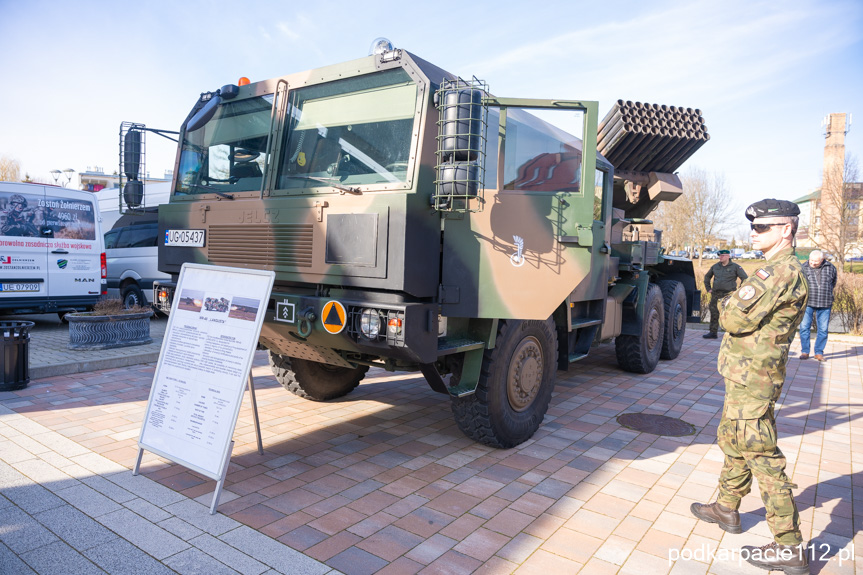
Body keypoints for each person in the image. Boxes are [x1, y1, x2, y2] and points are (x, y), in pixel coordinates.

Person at [690, 199, 810, 574]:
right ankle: (727, 508)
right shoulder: (774, 269)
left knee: (760, 453)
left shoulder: (778, 272)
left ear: (785, 230)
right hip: (747, 374)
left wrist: (726, 304)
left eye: (762, 227)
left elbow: (733, 319)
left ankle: (788, 546)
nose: (753, 232)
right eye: (754, 227)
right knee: (734, 439)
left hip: (753, 376)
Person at [798, 250, 837, 361]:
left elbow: (833, 282)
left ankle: (819, 352)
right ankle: (805, 351)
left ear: (822, 260)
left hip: (825, 303)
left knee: (823, 329)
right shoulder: (803, 267)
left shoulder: (831, 267)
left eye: (816, 261)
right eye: (811, 260)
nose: (813, 263)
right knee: (804, 327)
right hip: (808, 303)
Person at [703, 249, 748, 339]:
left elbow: (745, 278)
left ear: (728, 256)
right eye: (720, 256)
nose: (721, 257)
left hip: (729, 295)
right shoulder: (715, 267)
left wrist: (739, 291)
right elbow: (707, 277)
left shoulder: (735, 267)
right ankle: (713, 332)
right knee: (714, 313)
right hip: (716, 294)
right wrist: (708, 289)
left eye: (723, 256)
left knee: (730, 314)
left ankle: (731, 333)